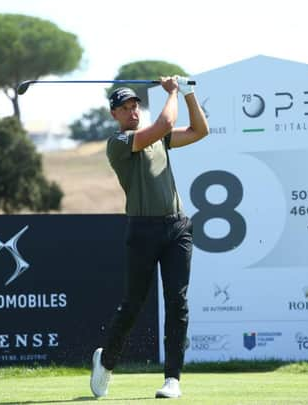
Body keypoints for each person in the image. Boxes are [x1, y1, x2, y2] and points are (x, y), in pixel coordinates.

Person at [90, 76, 209, 399]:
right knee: (133, 304)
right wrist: (171, 92)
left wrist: (189, 95)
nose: (132, 112)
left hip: (177, 228)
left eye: (135, 106)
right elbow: (165, 122)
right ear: (114, 114)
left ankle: (173, 378)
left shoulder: (160, 140)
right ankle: (107, 362)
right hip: (142, 231)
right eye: (125, 108)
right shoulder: (119, 144)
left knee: (177, 302)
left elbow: (200, 131)